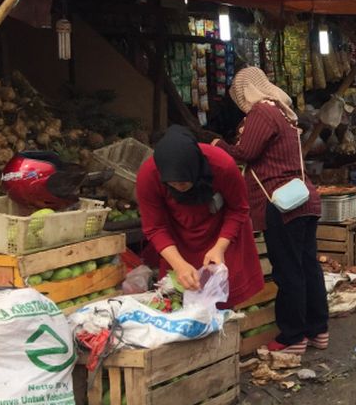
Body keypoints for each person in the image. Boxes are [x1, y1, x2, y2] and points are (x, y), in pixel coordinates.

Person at [215, 67, 329, 355]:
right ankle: (318, 330)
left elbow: (246, 153)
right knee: (307, 266)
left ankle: (292, 337)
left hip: (281, 203)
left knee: (289, 270)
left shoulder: (262, 112)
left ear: (245, 91)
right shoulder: (283, 111)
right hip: (303, 199)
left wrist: (219, 146)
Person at [137, 126, 264, 308]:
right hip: (178, 237)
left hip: (221, 232)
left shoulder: (222, 165)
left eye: (183, 182)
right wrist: (179, 264)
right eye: (172, 184)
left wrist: (220, 247)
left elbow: (239, 209)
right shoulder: (149, 175)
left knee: (223, 299)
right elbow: (154, 227)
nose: (179, 188)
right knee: (178, 301)